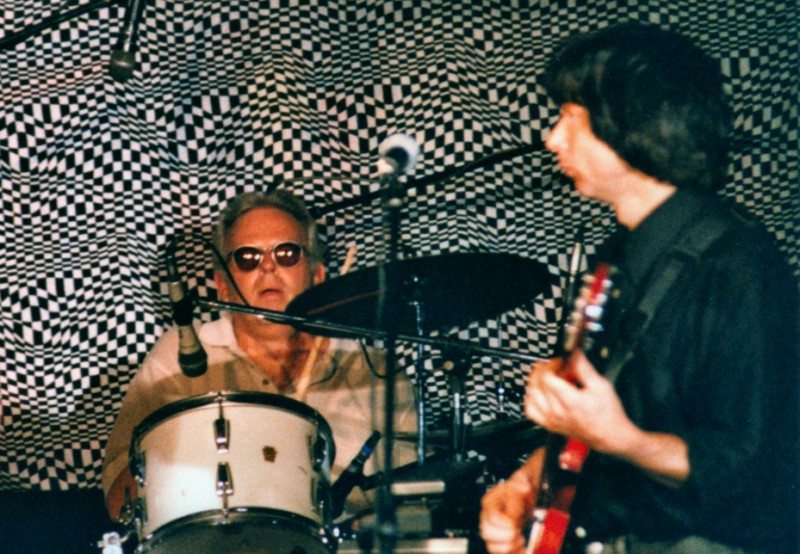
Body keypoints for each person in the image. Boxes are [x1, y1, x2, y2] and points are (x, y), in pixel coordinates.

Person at [480, 23, 799, 554]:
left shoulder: (738, 268)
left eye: (571, 117)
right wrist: (526, 485)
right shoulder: (614, 259)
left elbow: (752, 469)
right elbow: (589, 423)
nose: (552, 138)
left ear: (632, 124)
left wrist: (621, 440)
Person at [102, 189, 418, 524]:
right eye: (247, 258)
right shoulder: (178, 356)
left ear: (317, 275)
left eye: (287, 254)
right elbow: (119, 504)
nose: (268, 267)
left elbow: (413, 502)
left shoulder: (374, 370)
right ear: (222, 284)